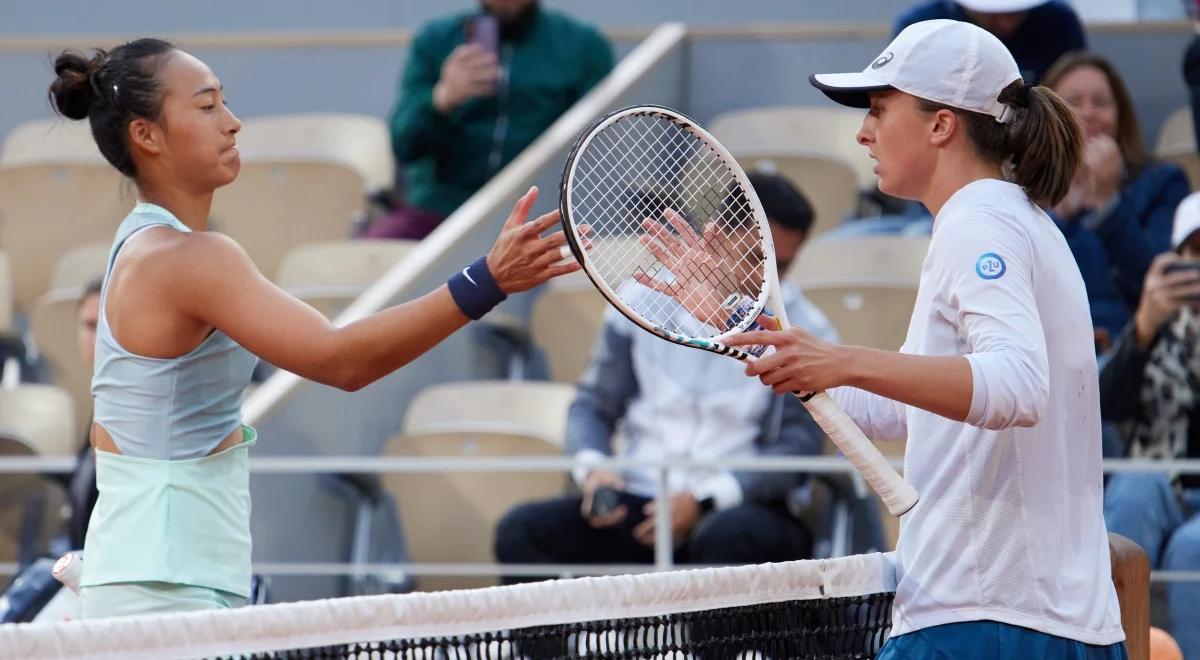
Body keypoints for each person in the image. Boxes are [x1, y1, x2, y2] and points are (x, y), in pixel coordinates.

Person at [643, 19, 1125, 658]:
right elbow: (890, 413)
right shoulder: (1007, 219)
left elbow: (1016, 387)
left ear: (941, 124)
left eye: (878, 109)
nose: (863, 132)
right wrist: (743, 324)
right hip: (1022, 620)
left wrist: (840, 358)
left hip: (988, 623)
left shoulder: (979, 221)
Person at [48, 38, 577, 619]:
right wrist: (487, 281)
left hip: (158, 580)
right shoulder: (187, 257)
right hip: (161, 595)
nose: (233, 123)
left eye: (225, 103)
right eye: (206, 107)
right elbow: (342, 360)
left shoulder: (146, 244)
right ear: (147, 135)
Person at [493, 172, 835, 579]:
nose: (769, 277)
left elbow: (797, 450)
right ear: (717, 236)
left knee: (729, 537)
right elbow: (592, 406)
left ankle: (720, 646)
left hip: (739, 507)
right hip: (640, 497)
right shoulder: (638, 302)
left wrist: (705, 500)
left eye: (785, 264)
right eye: (756, 259)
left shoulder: (809, 329)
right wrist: (595, 471)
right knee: (522, 531)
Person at [367, 0, 613, 239]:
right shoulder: (436, 39)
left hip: (535, 213)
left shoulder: (582, 46)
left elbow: (602, 151)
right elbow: (404, 144)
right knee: (372, 258)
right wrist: (441, 99)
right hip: (439, 211)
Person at [1098, 192, 1200, 659]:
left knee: (1192, 546)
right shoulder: (1154, 328)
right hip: (1162, 485)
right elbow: (1102, 405)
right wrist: (1143, 326)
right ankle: (1105, 647)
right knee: (1135, 487)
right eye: (1196, 253)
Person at [1043, 52, 1191, 347]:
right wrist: (1058, 217)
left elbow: (1162, 285)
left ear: (1120, 115)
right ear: (1047, 118)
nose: (1088, 113)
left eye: (1101, 102)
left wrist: (1108, 203)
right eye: (1073, 102)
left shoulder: (1163, 182)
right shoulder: (1025, 191)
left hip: (1137, 349)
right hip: (1048, 350)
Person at [893, 0, 1085, 84]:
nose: (1006, 23)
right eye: (994, 14)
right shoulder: (922, 27)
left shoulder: (1060, 22)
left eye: (1015, 12)